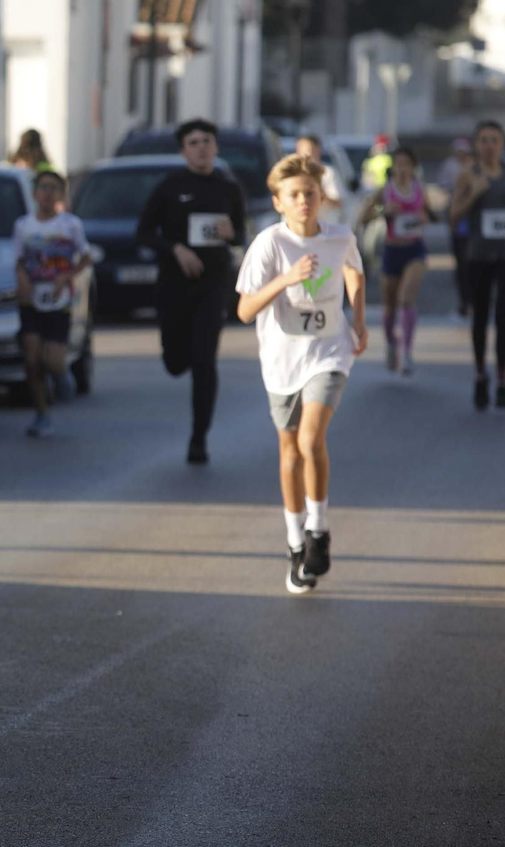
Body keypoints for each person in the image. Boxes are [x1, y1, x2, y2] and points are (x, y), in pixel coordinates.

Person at [235, 154, 368, 595]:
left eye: (310, 193)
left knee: (312, 439)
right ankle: (295, 543)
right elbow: (245, 310)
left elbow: (353, 272)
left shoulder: (339, 236)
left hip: (329, 350)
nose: (304, 201)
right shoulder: (268, 245)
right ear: (278, 202)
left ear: (320, 197)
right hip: (281, 359)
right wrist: (286, 278)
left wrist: (360, 319)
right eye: (294, 195)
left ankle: (318, 529)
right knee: (290, 451)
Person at [135, 118, 249, 464]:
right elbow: (143, 232)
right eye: (194, 142)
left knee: (204, 362)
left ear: (215, 147)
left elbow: (241, 236)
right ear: (183, 149)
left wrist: (231, 233)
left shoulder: (228, 188)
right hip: (173, 286)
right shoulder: (170, 186)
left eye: (207, 141)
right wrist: (175, 249)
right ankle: (177, 355)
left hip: (212, 285)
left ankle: (199, 438)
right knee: (175, 362)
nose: (201, 147)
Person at [451, 119, 505, 411]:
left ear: (503, 144)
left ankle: (503, 380)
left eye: (495, 139)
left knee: (503, 313)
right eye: (484, 140)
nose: (490, 145)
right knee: (480, 314)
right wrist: (474, 194)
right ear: (476, 145)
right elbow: (454, 216)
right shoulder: (468, 175)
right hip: (479, 255)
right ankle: (481, 375)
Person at [13, 170, 91, 437]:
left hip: (59, 299)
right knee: (32, 358)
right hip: (31, 299)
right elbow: (18, 259)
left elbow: (86, 257)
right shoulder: (24, 226)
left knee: (54, 361)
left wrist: (66, 276)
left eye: (54, 189)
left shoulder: (71, 225)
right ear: (35, 194)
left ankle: (61, 376)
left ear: (61, 195)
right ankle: (42, 412)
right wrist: (22, 277)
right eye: (43, 188)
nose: (48, 194)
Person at [356, 147, 428, 376]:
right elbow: (362, 217)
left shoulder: (419, 190)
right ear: (393, 167)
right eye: (399, 164)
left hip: (415, 250)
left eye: (407, 164)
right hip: (391, 250)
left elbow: (431, 214)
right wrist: (382, 211)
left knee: (406, 299)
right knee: (390, 307)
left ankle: (407, 354)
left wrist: (425, 217)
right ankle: (391, 344)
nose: (403, 169)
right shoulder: (384, 191)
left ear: (413, 167)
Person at [439, 137, 476, 321]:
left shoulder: (475, 167)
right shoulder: (450, 166)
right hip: (460, 221)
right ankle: (464, 303)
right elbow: (443, 186)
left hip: (475, 221)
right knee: (462, 263)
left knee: (476, 265)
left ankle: (475, 302)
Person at [295, 135, 345, 225]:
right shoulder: (292, 175)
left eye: (308, 150)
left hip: (324, 228)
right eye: (300, 150)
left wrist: (317, 191)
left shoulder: (328, 173)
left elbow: (338, 203)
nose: (304, 154)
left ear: (318, 150)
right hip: (299, 230)